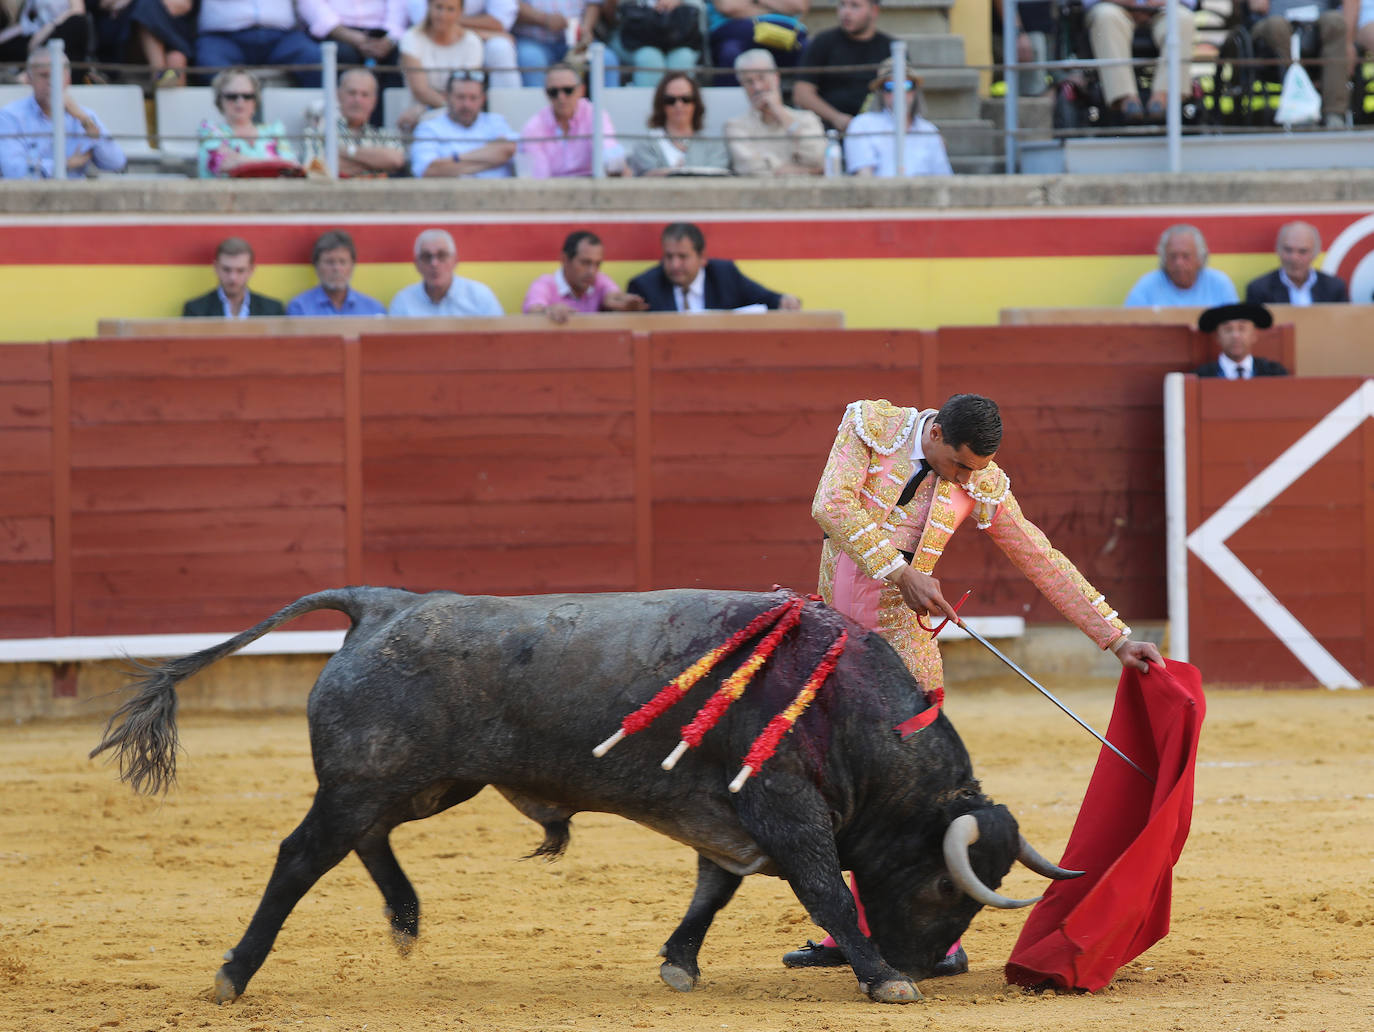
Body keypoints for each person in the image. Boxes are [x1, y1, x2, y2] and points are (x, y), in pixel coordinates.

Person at [783, 392, 1164, 976]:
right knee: (841, 790)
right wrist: (899, 569)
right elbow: (830, 504)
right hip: (836, 637)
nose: (968, 478)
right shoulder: (872, 427)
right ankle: (855, 929)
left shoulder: (982, 481)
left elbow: (1037, 555)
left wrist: (1113, 637)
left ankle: (938, 942)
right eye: (960, 465)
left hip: (905, 649)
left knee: (910, 791)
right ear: (933, 433)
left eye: (976, 469)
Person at [0, 49, 126, 179]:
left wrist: (84, 120)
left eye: (57, 76)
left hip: (76, 196)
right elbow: (14, 171)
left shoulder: (84, 116)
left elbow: (116, 163)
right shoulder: (10, 116)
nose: (51, 82)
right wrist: (65, 165)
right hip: (29, 196)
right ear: (29, 79)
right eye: (44, 75)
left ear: (68, 80)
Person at [627, 221, 801, 311]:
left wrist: (785, 301)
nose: (674, 265)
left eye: (682, 257)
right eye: (669, 256)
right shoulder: (645, 286)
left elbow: (767, 299)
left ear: (702, 257)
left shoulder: (724, 275)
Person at [1082, 0, 1196, 122]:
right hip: (1114, 6)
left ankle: (1163, 98)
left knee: (1183, 19)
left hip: (1163, 8)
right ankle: (1126, 100)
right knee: (1106, 15)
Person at [842, 57, 952, 177]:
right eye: (890, 86)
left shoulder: (929, 131)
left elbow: (943, 178)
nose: (899, 92)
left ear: (915, 90)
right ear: (881, 92)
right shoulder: (862, 125)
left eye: (906, 85)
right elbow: (865, 179)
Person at [791, 0, 891, 132]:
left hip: (877, 132)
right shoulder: (822, 42)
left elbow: (904, 94)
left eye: (855, 6)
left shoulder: (890, 48)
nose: (846, 12)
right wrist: (836, 118)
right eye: (842, 4)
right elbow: (801, 94)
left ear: (874, 11)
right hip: (826, 131)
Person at [1248, 0, 1348, 129]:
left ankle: (1334, 114)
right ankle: (1299, 105)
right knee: (1277, 25)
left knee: (1335, 21)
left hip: (1316, 24)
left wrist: (1350, 42)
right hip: (1272, 23)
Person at [723, 48, 825, 175]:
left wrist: (781, 114)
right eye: (749, 82)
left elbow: (817, 159)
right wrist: (807, 171)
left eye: (762, 78)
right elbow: (752, 170)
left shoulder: (807, 119)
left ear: (776, 77)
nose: (757, 87)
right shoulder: (735, 126)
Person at [519, 61, 626, 177]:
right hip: (552, 189)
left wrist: (614, 164)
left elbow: (608, 150)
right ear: (546, 93)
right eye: (553, 92)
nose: (561, 97)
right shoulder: (534, 126)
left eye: (568, 90)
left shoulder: (595, 115)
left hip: (592, 186)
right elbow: (538, 176)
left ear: (581, 90)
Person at [196, 67, 303, 178]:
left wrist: (242, 160)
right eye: (232, 96)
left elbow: (292, 168)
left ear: (255, 100)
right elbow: (223, 162)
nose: (240, 101)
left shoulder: (274, 131)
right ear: (219, 100)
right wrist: (273, 165)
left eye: (247, 96)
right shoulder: (209, 130)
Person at [522, 229, 649, 321]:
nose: (592, 271)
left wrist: (622, 302)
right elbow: (533, 310)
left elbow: (613, 295)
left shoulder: (600, 281)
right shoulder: (545, 284)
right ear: (564, 259)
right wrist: (548, 311)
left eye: (597, 264)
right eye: (585, 262)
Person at [398, 0, 487, 131]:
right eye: (438, 7)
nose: (443, 15)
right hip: (421, 109)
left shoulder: (472, 42)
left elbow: (467, 88)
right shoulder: (411, 38)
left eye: (450, 9)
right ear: (429, 6)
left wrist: (454, 109)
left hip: (461, 111)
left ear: (460, 12)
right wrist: (451, 107)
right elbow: (420, 91)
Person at [303, 68, 408, 177]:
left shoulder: (384, 135)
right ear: (338, 95)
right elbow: (316, 168)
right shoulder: (318, 132)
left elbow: (396, 160)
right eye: (352, 93)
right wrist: (375, 166)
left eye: (365, 95)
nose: (358, 99)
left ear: (374, 101)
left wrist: (345, 152)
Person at [411, 69, 518, 176]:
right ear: (447, 97)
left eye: (473, 98)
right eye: (460, 97)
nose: (467, 105)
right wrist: (492, 157)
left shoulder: (496, 122)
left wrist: (453, 161)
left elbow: (508, 149)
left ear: (483, 99)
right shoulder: (428, 128)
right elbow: (428, 170)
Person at [194, 0, 324, 87]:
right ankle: (222, 126)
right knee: (210, 63)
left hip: (281, 37)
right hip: (224, 37)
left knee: (314, 59)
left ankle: (317, 122)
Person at [628, 70, 731, 176]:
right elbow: (646, 179)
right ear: (661, 104)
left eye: (686, 99)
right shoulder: (646, 145)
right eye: (670, 100)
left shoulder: (714, 145)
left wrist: (674, 173)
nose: (679, 105)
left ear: (696, 103)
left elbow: (718, 179)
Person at [389, 228, 505, 316]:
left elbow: (500, 341)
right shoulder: (403, 301)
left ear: (455, 261)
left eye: (442, 255)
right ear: (417, 264)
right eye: (426, 256)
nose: (434, 263)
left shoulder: (479, 296)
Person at [1124, 225, 1238, 307]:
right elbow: (1130, 327)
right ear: (1164, 259)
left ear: (1200, 258)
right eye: (1173, 256)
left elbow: (1234, 325)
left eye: (1186, 256)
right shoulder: (1146, 285)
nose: (1179, 263)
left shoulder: (1219, 283)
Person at [511, 0, 619, 87]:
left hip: (576, 41)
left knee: (606, 59)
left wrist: (586, 28)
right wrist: (544, 19)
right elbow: (509, 5)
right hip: (532, 40)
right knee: (531, 60)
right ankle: (538, 113)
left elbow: (594, 3)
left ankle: (605, 113)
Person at [705, 0, 809, 86]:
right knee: (730, 52)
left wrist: (753, 3)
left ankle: (805, 102)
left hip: (787, 32)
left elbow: (798, 6)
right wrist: (775, 7)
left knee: (809, 50)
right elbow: (728, 6)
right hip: (736, 30)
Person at [1244, 221, 1350, 305]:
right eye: (1288, 250)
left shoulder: (1334, 287)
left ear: (1315, 253)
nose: (1294, 258)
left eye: (1302, 251)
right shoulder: (1260, 289)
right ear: (1278, 250)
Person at [286, 230, 388, 317]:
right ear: (316, 265)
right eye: (329, 262)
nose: (336, 268)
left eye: (342, 262)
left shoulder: (374, 309)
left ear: (352, 265)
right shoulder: (300, 308)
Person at [607, 0, 704, 87]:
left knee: (682, 58)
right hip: (636, 41)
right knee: (649, 58)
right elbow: (614, 13)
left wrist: (679, 1)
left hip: (680, 40)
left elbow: (699, 8)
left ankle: (676, 103)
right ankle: (648, 106)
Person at [182, 237, 286, 317]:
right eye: (226, 269)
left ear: (251, 270)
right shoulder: (195, 310)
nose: (233, 277)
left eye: (240, 270)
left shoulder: (273, 310)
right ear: (216, 267)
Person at [1193, 302, 1289, 378]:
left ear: (1254, 335)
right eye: (1228, 329)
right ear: (1217, 337)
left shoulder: (1274, 373)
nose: (1235, 335)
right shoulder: (1202, 376)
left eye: (1242, 328)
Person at [0, 0, 93, 67]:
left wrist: (51, 26)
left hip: (63, 29)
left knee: (76, 22)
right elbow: (25, 23)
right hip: (39, 32)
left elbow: (78, 10)